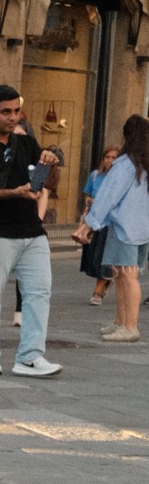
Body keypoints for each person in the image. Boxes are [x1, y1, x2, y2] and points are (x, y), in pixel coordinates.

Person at [0, 84, 63, 377]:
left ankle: (30, 356)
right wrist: (13, 192)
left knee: (39, 293)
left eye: (16, 111)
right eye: (5, 112)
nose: (12, 117)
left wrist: (50, 164)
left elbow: (44, 185)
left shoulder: (28, 144)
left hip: (32, 232)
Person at [74, 114, 149, 344]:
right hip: (142, 228)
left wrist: (91, 223)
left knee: (126, 276)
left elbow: (108, 195)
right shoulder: (145, 163)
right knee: (122, 274)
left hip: (124, 226)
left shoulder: (126, 164)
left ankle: (129, 326)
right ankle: (120, 321)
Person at [81, 145, 120, 306]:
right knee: (93, 257)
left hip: (111, 223)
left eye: (114, 158)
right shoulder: (95, 175)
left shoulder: (121, 178)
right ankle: (106, 280)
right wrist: (90, 201)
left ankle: (98, 289)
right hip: (94, 222)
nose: (110, 161)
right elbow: (87, 195)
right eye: (107, 157)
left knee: (103, 257)